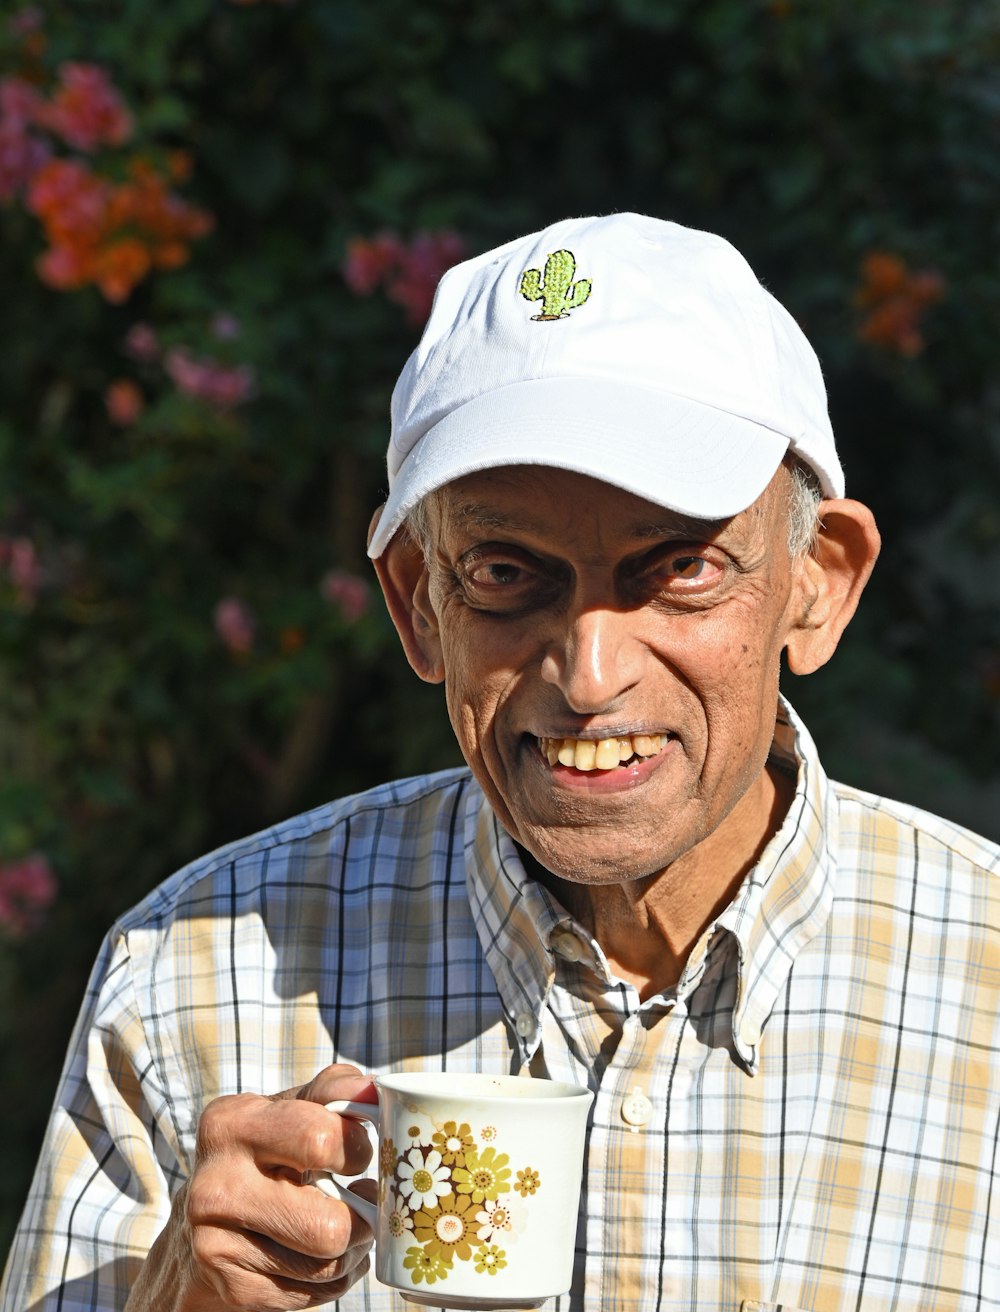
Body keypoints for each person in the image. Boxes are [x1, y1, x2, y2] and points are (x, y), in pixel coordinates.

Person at [3, 213, 997, 1312]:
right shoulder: (193, 977)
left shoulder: (983, 980)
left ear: (819, 581)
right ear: (417, 604)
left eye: (681, 568)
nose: (588, 671)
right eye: (505, 571)